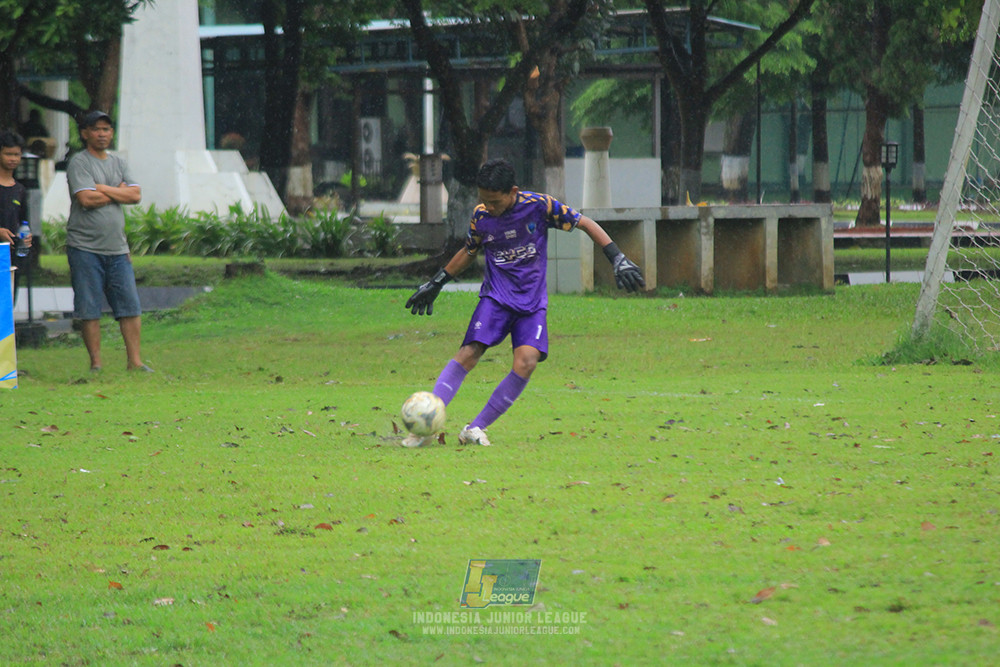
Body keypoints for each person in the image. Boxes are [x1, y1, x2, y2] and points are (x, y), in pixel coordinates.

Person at [403, 158, 644, 447]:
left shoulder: (540, 206)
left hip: (531, 303)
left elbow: (585, 223)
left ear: (512, 191)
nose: (488, 206)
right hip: (496, 298)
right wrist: (437, 282)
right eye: (484, 200)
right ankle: (424, 428)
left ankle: (475, 428)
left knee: (526, 361)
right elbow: (469, 251)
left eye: (494, 201)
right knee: (470, 352)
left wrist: (616, 256)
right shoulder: (481, 217)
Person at [66, 110, 151, 373]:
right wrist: (118, 191)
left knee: (129, 306)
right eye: (96, 129)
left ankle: (135, 362)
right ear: (85, 134)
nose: (102, 134)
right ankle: (96, 364)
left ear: (111, 133)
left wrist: (101, 187)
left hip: (118, 247)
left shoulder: (118, 162)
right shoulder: (79, 163)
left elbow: (136, 195)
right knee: (89, 307)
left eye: (106, 129)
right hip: (84, 247)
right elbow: (86, 200)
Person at [0, 130, 31, 306]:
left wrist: (26, 236)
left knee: (6, 305)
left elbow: (23, 221)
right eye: (8, 154)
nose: (13, 159)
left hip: (11, 256)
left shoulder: (19, 189)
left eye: (17, 154)